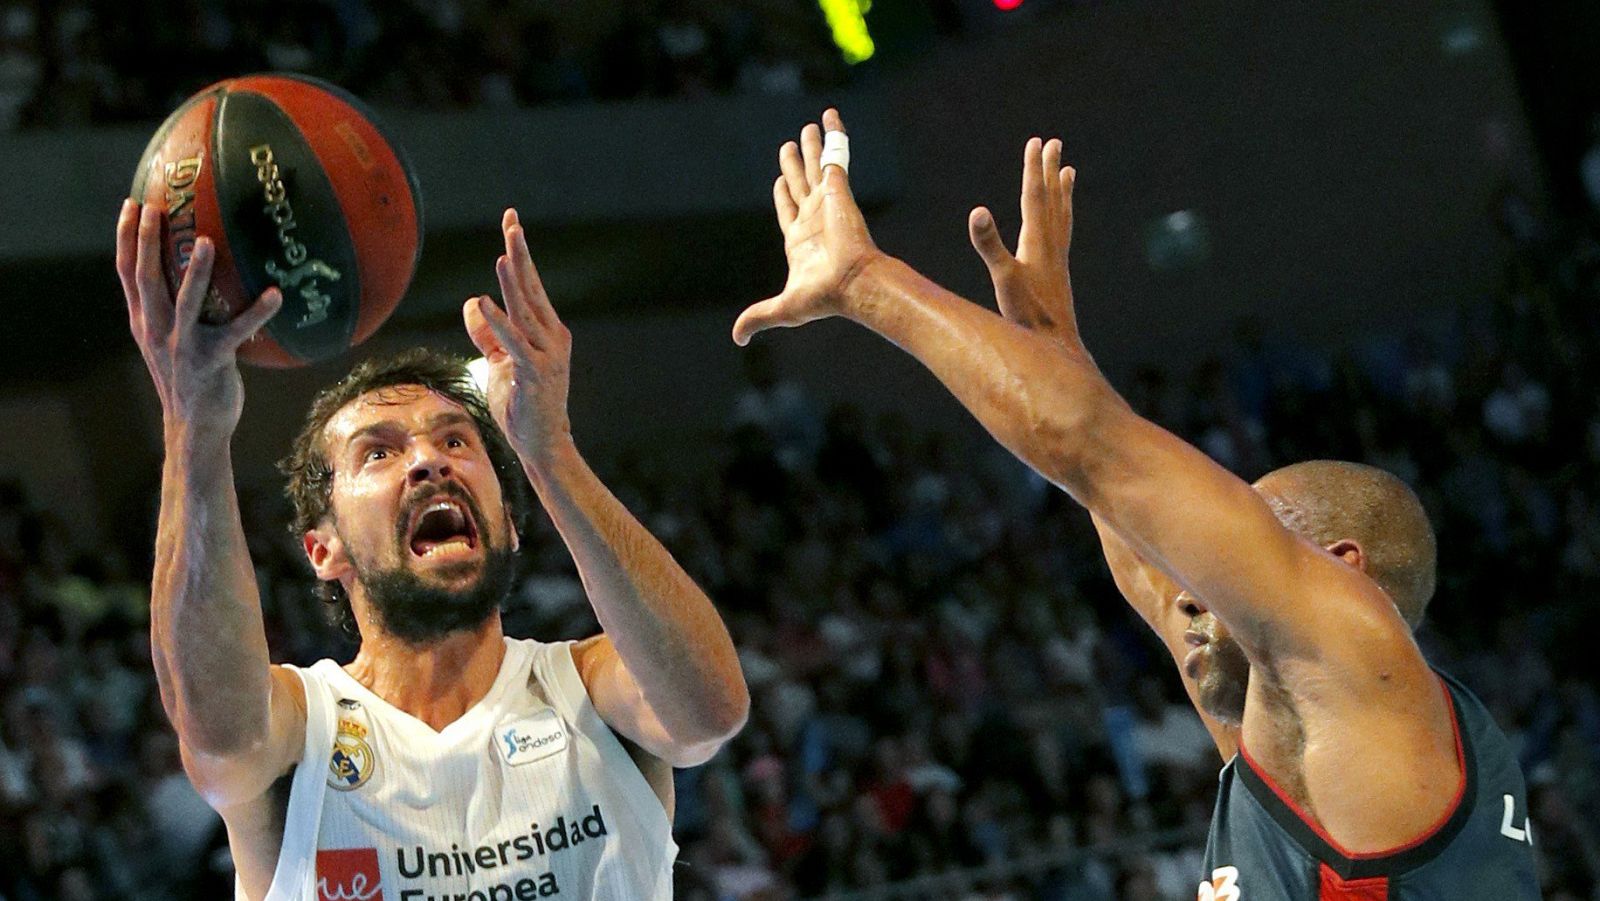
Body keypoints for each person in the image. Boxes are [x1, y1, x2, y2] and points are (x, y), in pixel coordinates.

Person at [732, 111, 1539, 897]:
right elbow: (1131, 534)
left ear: (1342, 570)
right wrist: (1055, 348)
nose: (1189, 588)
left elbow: (1094, 452)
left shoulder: (1359, 655)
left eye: (1237, 554)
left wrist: (863, 281)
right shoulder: (1304, 736)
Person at [116, 200, 748, 900]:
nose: (428, 461)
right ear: (323, 550)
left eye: (454, 439)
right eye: (379, 451)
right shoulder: (303, 728)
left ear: (509, 522)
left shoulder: (590, 691)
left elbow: (709, 711)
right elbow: (219, 738)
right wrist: (194, 425)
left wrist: (550, 453)